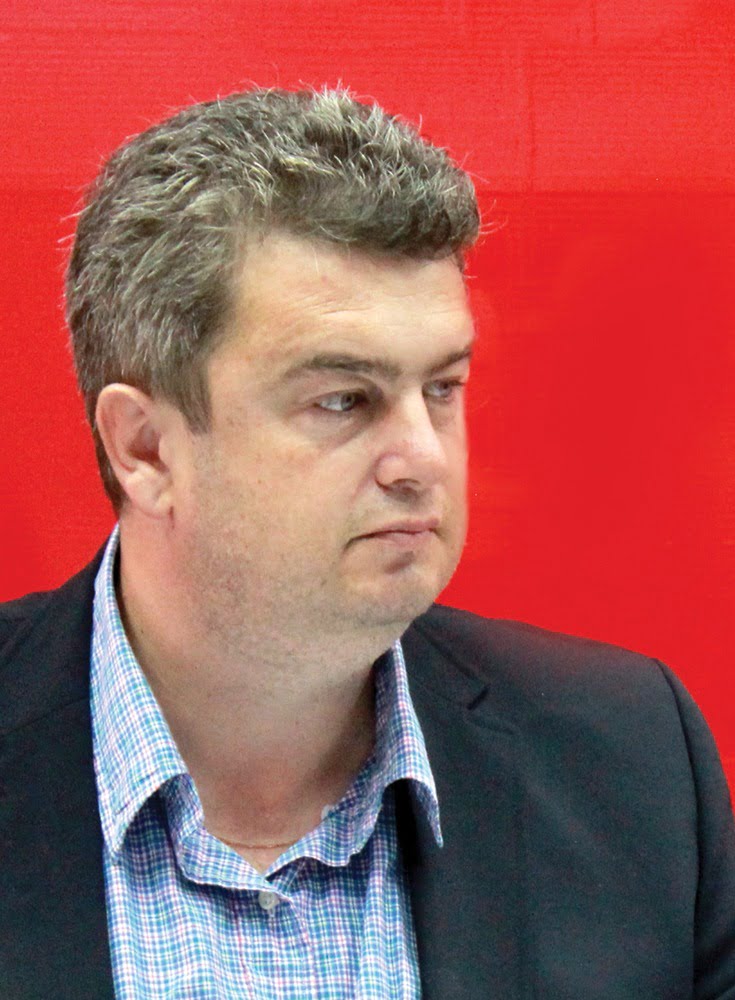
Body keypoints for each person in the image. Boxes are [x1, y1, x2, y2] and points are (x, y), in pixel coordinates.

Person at [0, 87, 733, 1000]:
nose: (422, 459)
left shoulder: (627, 764)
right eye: (343, 400)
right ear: (146, 449)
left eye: (441, 388)